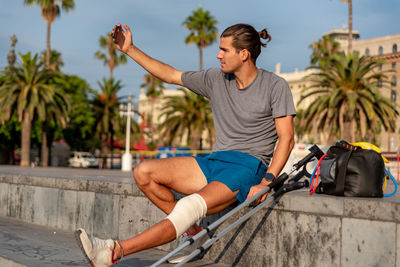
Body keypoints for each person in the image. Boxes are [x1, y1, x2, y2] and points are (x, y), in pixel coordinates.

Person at [75, 23, 296, 267]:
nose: (218, 55)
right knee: (144, 172)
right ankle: (192, 234)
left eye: (224, 50)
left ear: (244, 54)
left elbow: (286, 138)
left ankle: (113, 251)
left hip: (247, 168)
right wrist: (130, 49)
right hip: (215, 162)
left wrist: (266, 182)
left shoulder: (275, 86)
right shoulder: (216, 78)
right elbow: (170, 74)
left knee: (189, 205)